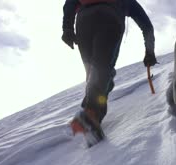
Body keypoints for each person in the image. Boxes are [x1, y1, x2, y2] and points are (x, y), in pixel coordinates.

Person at [62, 0, 157, 146]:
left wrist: (67, 28)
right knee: (103, 70)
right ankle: (89, 116)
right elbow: (147, 26)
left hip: (83, 22)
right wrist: (149, 52)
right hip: (109, 19)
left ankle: (89, 116)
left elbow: (70, 3)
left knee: (93, 72)